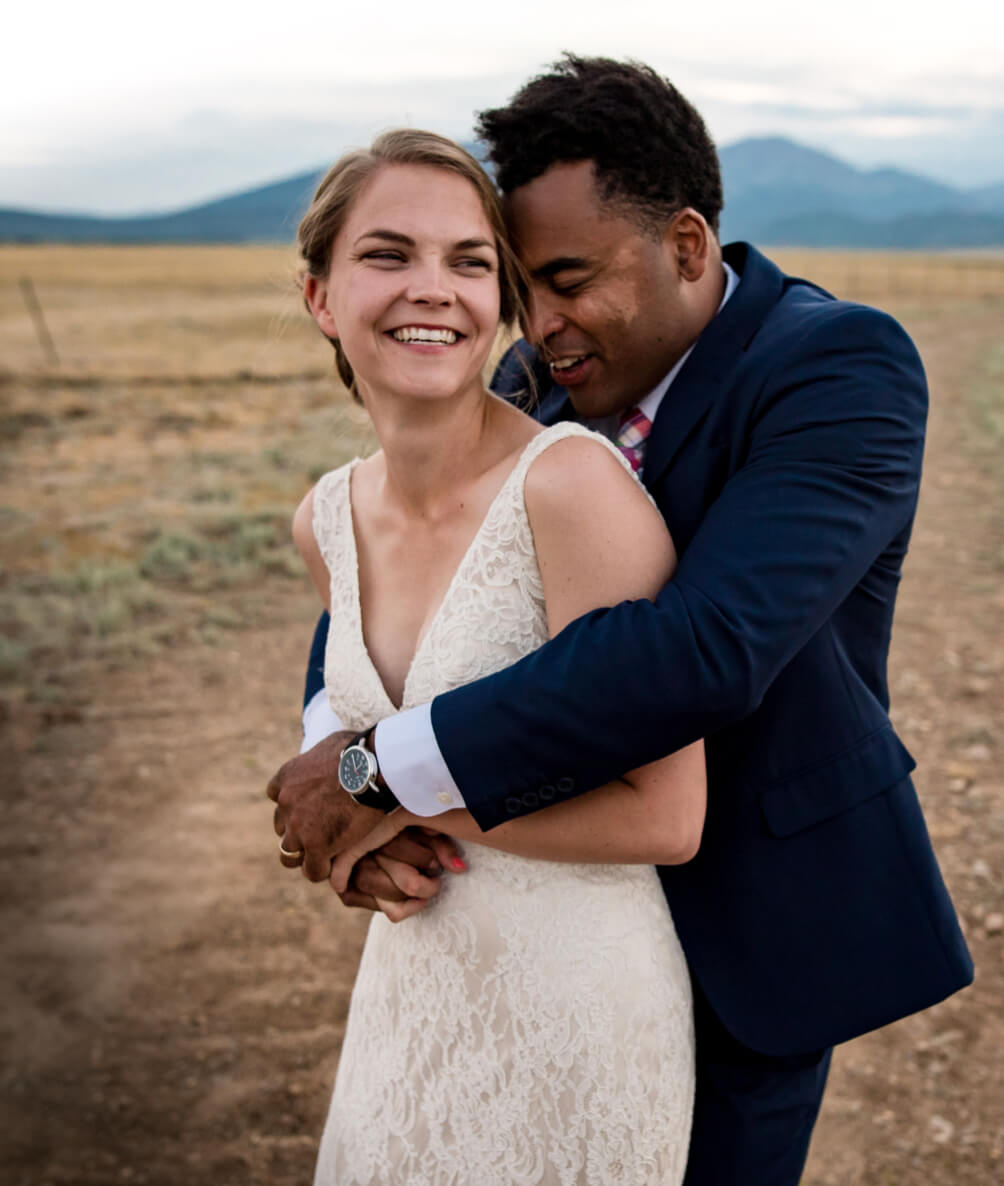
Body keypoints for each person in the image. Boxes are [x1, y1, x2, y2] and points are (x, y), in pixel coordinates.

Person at [270, 57, 974, 1186]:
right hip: (533, 912)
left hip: (753, 908)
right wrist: (339, 751)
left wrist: (377, 770)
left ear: (685, 247)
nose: (536, 322)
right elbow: (410, 565)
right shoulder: (539, 375)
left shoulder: (836, 366)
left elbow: (706, 646)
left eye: (564, 278)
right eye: (518, 281)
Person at [286, 127, 706, 1185]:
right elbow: (347, 732)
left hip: (576, 1011)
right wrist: (356, 826)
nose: (433, 289)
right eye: (387, 255)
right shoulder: (323, 518)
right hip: (410, 993)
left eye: (469, 262)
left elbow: (665, 816)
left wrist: (386, 795)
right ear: (321, 298)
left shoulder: (569, 489)